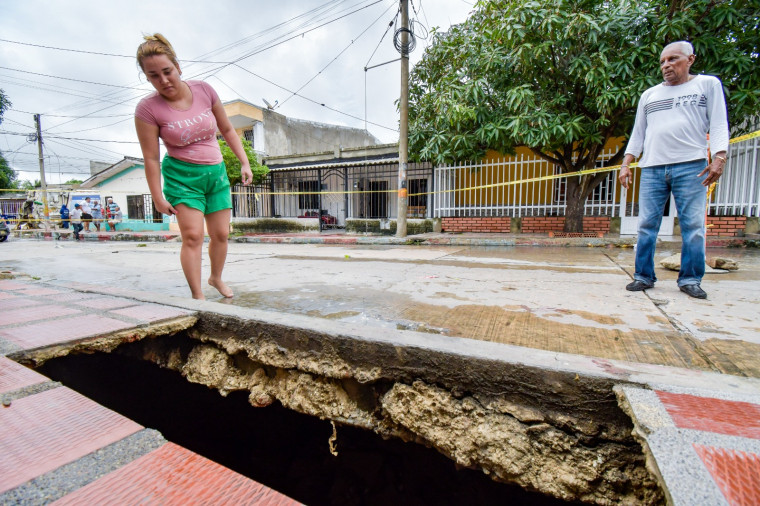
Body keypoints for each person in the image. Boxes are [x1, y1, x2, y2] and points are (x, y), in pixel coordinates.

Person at [134, 33, 252, 300]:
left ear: (178, 67)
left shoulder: (204, 90)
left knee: (221, 233)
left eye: (167, 71)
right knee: (193, 236)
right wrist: (157, 196)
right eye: (154, 75)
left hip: (216, 173)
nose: (163, 80)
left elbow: (227, 129)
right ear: (146, 77)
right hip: (182, 178)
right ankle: (198, 297)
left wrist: (244, 162)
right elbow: (151, 158)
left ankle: (216, 278)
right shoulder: (147, 110)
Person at [619, 41, 729, 299]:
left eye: (673, 59)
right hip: (652, 167)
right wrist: (626, 163)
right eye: (662, 61)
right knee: (646, 224)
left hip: (691, 165)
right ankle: (643, 276)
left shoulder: (707, 85)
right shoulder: (650, 95)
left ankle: (690, 279)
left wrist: (720, 157)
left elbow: (719, 123)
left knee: (693, 225)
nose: (666, 65)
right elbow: (639, 133)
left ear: (690, 59)